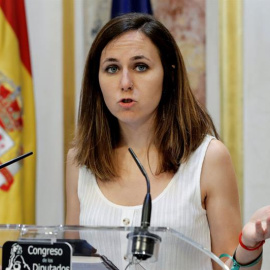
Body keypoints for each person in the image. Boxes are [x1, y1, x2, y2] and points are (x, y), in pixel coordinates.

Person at [65, 13, 270, 269]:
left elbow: (227, 266)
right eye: (112, 68)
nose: (125, 83)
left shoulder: (207, 158)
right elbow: (72, 259)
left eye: (140, 66)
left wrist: (249, 245)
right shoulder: (81, 160)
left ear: (169, 75)